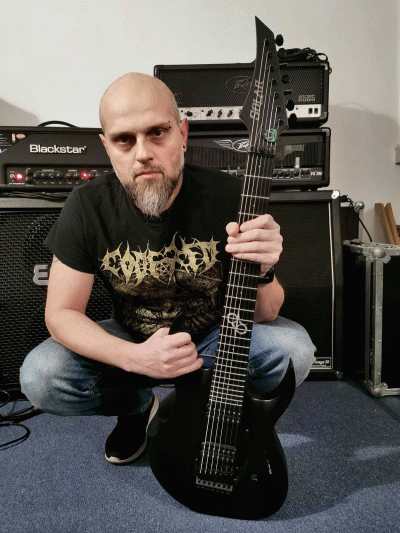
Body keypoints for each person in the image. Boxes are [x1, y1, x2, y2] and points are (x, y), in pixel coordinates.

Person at [20, 73, 316, 465]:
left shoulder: (233, 196)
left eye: (157, 132)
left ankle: (214, 410)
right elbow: (60, 315)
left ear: (182, 133)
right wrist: (134, 358)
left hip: (216, 338)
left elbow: (266, 313)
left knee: (293, 351)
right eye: (125, 139)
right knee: (42, 377)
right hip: (132, 339)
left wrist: (265, 268)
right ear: (107, 147)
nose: (143, 153)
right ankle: (137, 407)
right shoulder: (86, 206)